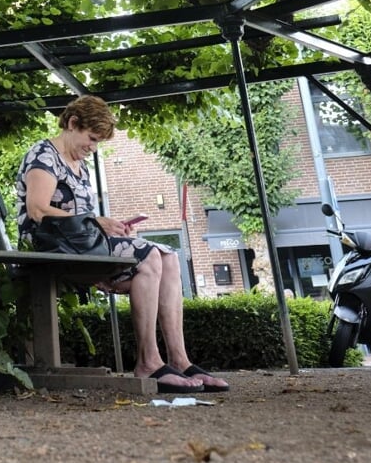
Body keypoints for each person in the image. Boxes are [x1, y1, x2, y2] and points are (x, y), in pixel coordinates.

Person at [16, 94, 228, 392]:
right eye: (91, 138)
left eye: (98, 142)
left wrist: (110, 229)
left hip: (78, 244)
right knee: (150, 256)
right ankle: (148, 362)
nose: (93, 147)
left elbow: (81, 218)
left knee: (167, 257)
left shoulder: (79, 164)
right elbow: (37, 209)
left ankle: (179, 360)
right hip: (50, 245)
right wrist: (96, 223)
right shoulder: (44, 155)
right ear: (72, 123)